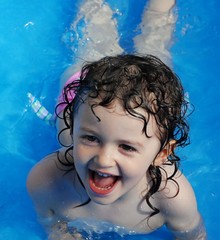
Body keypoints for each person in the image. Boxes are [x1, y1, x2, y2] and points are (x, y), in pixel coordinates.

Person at [27, 1, 207, 240]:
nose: (103, 159)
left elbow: (193, 235)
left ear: (162, 153)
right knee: (95, 33)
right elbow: (49, 218)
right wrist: (59, 233)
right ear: (74, 127)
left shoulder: (173, 199)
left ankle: (159, 7)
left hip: (147, 100)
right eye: (90, 138)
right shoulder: (46, 180)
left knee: (155, 44)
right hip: (85, 87)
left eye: (126, 146)